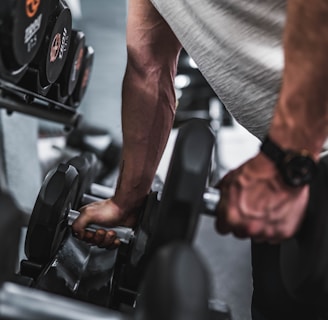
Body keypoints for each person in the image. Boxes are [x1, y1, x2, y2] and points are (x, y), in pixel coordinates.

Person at [72, 0, 328, 319]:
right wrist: (128, 200)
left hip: (298, 155)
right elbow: (148, 68)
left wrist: (287, 160)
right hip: (300, 162)